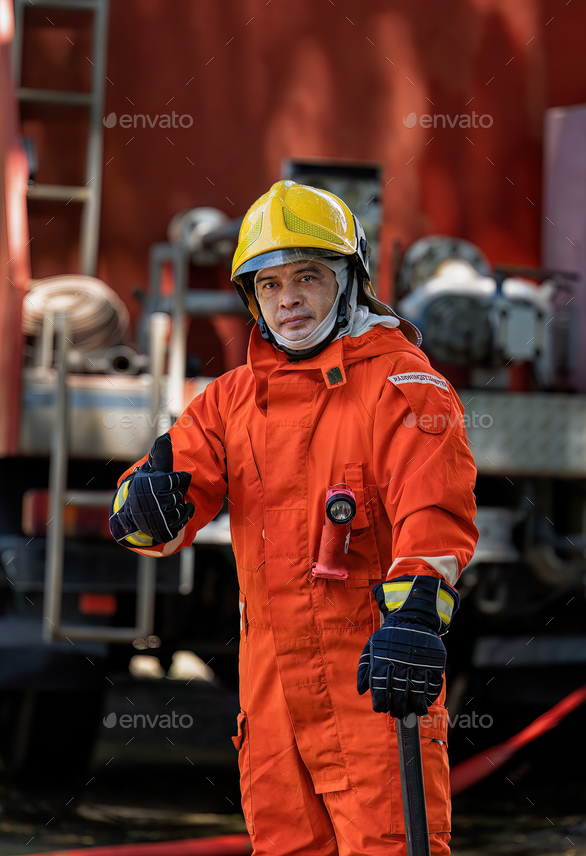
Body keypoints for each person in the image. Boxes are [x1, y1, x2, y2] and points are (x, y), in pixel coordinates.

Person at [110, 180, 478, 856]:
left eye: (308, 277)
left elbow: (434, 513)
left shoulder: (404, 387)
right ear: (253, 297)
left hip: (374, 683)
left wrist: (418, 618)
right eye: (270, 283)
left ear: (349, 283)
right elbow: (165, 495)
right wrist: (143, 504)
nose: (289, 300)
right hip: (272, 700)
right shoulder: (232, 399)